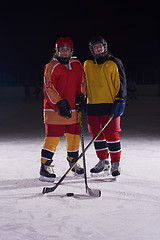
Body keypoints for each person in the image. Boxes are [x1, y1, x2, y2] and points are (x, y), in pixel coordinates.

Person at [39, 37, 84, 182]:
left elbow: (83, 81)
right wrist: (59, 103)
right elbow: (49, 87)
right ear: (57, 51)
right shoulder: (51, 66)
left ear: (72, 51)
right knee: (52, 139)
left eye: (67, 49)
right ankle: (45, 166)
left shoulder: (77, 64)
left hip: (73, 110)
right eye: (62, 49)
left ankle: (73, 163)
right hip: (54, 110)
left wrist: (82, 96)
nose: (65, 52)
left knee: (74, 138)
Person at [83, 36, 127, 177]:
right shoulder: (87, 64)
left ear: (105, 47)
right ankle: (103, 161)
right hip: (92, 105)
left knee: (111, 135)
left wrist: (120, 100)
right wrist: (82, 99)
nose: (98, 49)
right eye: (95, 47)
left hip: (110, 104)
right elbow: (83, 84)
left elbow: (121, 83)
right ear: (92, 50)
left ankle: (115, 163)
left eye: (100, 46)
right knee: (97, 136)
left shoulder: (114, 62)